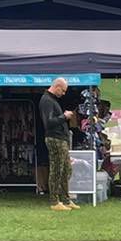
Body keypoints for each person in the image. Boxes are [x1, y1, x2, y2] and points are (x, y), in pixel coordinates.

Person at [37, 78, 76, 212]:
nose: (64, 94)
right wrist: (64, 117)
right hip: (55, 139)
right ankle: (54, 201)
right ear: (57, 87)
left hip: (61, 138)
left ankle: (65, 199)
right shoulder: (47, 101)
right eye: (63, 91)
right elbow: (48, 123)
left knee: (66, 169)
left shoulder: (52, 100)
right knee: (56, 169)